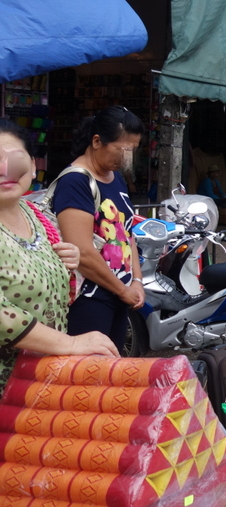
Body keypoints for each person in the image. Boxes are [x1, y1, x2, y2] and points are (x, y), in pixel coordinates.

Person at [0, 119, 118, 388]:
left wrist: (68, 265)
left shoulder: (36, 216)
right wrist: (71, 343)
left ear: (32, 166)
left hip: (38, 383)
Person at [53, 107, 145, 351]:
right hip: (89, 297)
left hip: (117, 293)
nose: (128, 157)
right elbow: (81, 251)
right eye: (123, 149)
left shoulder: (116, 177)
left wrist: (136, 281)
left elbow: (126, 233)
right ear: (97, 141)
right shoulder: (75, 182)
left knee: (110, 370)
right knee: (89, 372)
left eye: (133, 150)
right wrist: (122, 290)